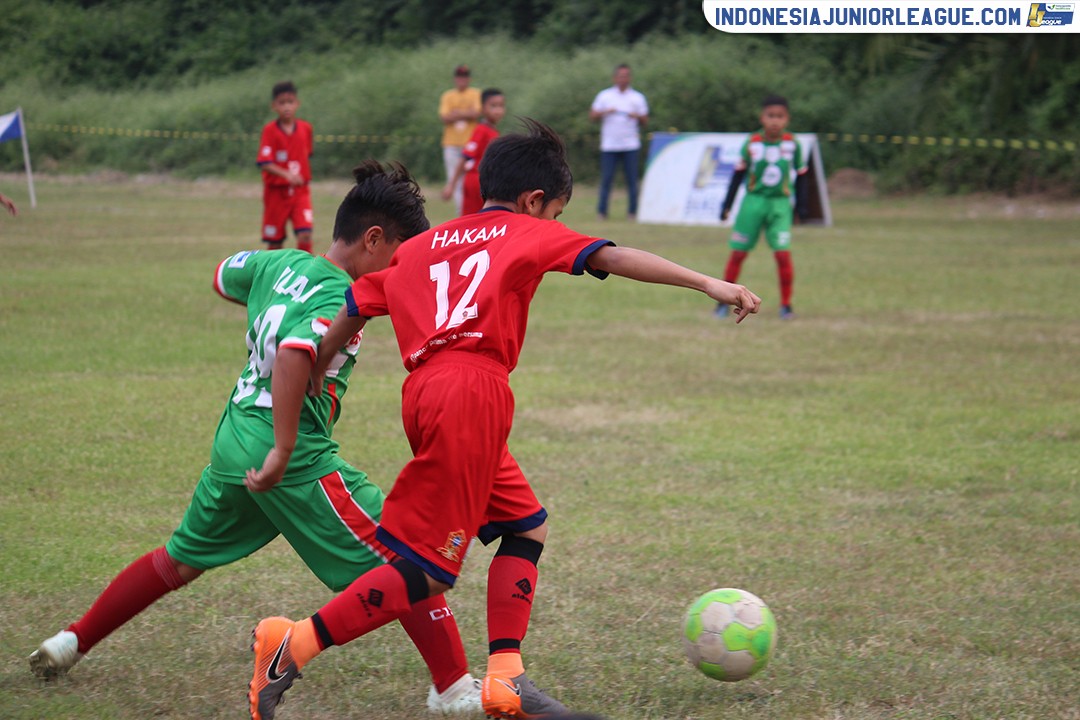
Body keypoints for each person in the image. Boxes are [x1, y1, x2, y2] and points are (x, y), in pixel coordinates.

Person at [244, 120, 761, 720]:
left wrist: (323, 362)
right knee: (426, 570)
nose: (552, 223)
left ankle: (506, 678)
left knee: (525, 526)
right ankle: (292, 642)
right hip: (470, 393)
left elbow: (358, 303)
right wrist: (706, 282)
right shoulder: (524, 231)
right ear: (534, 201)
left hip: (429, 393)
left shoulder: (421, 245)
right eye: (553, 211)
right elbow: (614, 257)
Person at [28, 161, 482, 715]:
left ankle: (71, 640)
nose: (401, 270)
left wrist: (271, 296)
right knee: (408, 554)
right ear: (373, 240)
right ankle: (454, 688)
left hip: (233, 441)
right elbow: (296, 354)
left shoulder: (276, 264)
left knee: (179, 560)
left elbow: (225, 274)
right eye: (401, 255)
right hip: (285, 456)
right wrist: (285, 447)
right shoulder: (341, 294)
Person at [717, 94, 809, 320]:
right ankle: (722, 303)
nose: (775, 121)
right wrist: (726, 205)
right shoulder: (752, 143)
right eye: (770, 116)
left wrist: (802, 208)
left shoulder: (792, 144)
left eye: (780, 116)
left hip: (780, 205)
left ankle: (786, 305)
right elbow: (738, 175)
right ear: (762, 117)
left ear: (787, 119)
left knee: (782, 256)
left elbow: (803, 177)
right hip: (753, 203)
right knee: (738, 254)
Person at [257, 81, 315, 254]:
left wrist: (296, 176)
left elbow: (307, 154)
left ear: (297, 103)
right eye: (282, 103)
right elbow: (264, 162)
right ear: (274, 106)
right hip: (276, 193)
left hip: (300, 191)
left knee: (305, 234)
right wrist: (287, 174)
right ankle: (273, 277)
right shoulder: (270, 131)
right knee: (275, 243)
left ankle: (305, 273)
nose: (286, 107)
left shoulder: (306, 129)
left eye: (290, 102)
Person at [589, 64, 649, 221]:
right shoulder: (605, 96)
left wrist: (636, 116)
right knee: (607, 180)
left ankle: (632, 213)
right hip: (609, 145)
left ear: (630, 78)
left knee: (632, 181)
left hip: (630, 145)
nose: (623, 79)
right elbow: (592, 116)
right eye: (621, 76)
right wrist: (605, 112)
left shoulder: (637, 97)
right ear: (615, 78)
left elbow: (645, 120)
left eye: (626, 76)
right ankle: (602, 212)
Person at [440, 88, 506, 215]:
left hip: (485, 181)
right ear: (482, 108)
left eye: (501, 106)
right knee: (472, 220)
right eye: (493, 106)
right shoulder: (481, 130)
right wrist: (451, 185)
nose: (498, 110)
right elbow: (465, 156)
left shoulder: (492, 131)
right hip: (476, 180)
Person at [438, 65, 483, 215]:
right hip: (451, 143)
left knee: (471, 179)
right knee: (455, 180)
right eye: (459, 77)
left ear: (468, 79)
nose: (461, 80)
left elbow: (477, 112)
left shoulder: (475, 93)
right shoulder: (448, 95)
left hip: (470, 144)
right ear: (455, 79)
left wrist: (456, 113)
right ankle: (462, 212)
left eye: (464, 77)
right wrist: (466, 113)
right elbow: (444, 116)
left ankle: (474, 210)